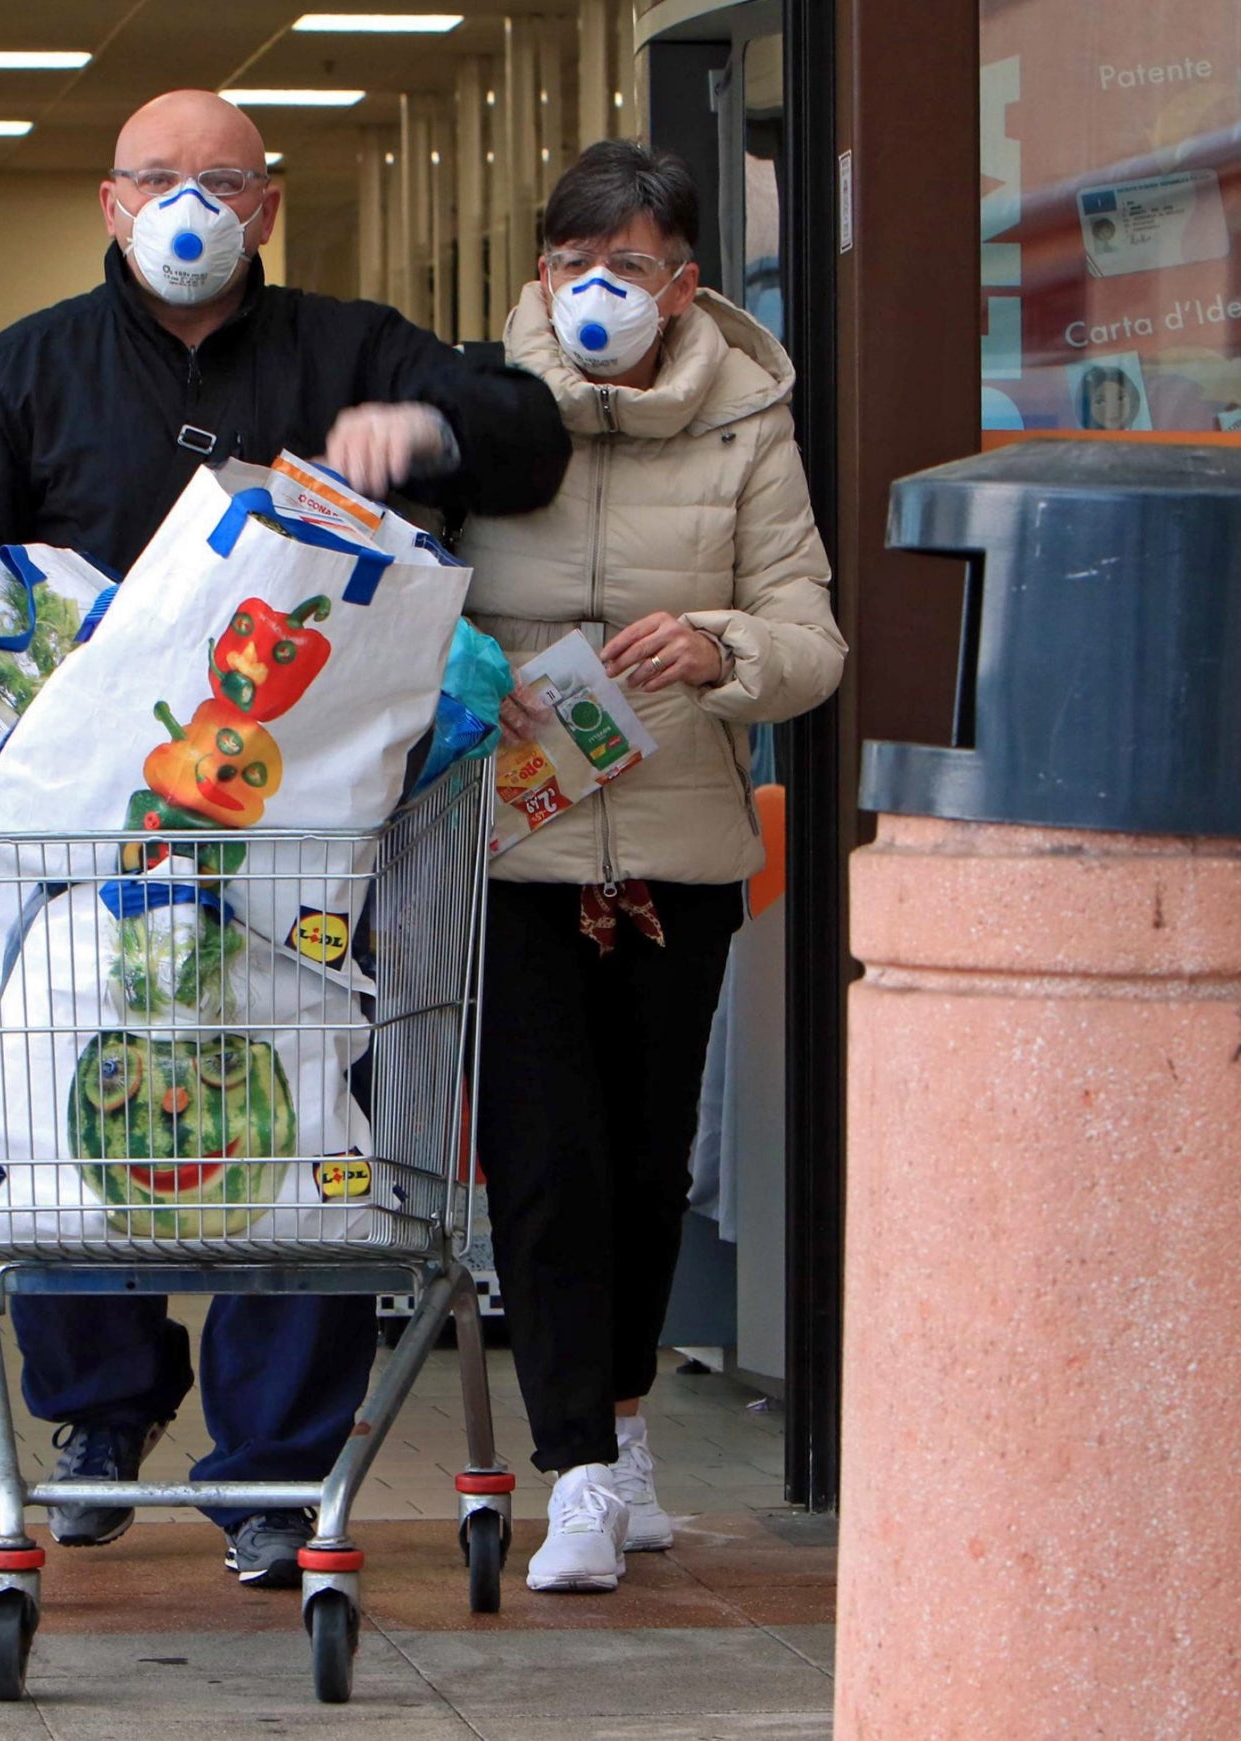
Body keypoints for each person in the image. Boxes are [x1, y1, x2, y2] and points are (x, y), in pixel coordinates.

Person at [0, 89, 572, 1588]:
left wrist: (433, 423)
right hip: (84, 855)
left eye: (222, 180)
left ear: (266, 205)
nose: (189, 206)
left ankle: (268, 1461)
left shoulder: (354, 350)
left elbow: (528, 435)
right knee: (63, 1116)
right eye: (155, 179)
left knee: (299, 1127)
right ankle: (96, 1419)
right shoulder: (32, 371)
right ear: (110, 204)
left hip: (300, 855)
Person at [457, 140, 845, 1595]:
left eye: (627, 267)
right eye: (571, 267)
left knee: (643, 1156)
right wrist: (460, 667)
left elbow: (810, 637)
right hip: (514, 841)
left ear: (685, 284)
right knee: (547, 1159)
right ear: (537, 278)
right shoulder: (484, 410)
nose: (595, 294)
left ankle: (623, 1433)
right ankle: (574, 1474)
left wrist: (721, 647)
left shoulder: (753, 424)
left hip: (677, 849)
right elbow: (395, 571)